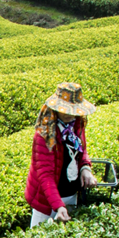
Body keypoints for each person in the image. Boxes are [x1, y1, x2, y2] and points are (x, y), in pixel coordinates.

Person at [25, 82, 97, 226]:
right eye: (66, 110)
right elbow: (45, 174)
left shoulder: (76, 124)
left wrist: (85, 168)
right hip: (46, 199)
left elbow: (81, 151)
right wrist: (58, 205)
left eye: (74, 110)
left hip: (70, 193)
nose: (70, 114)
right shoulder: (44, 134)